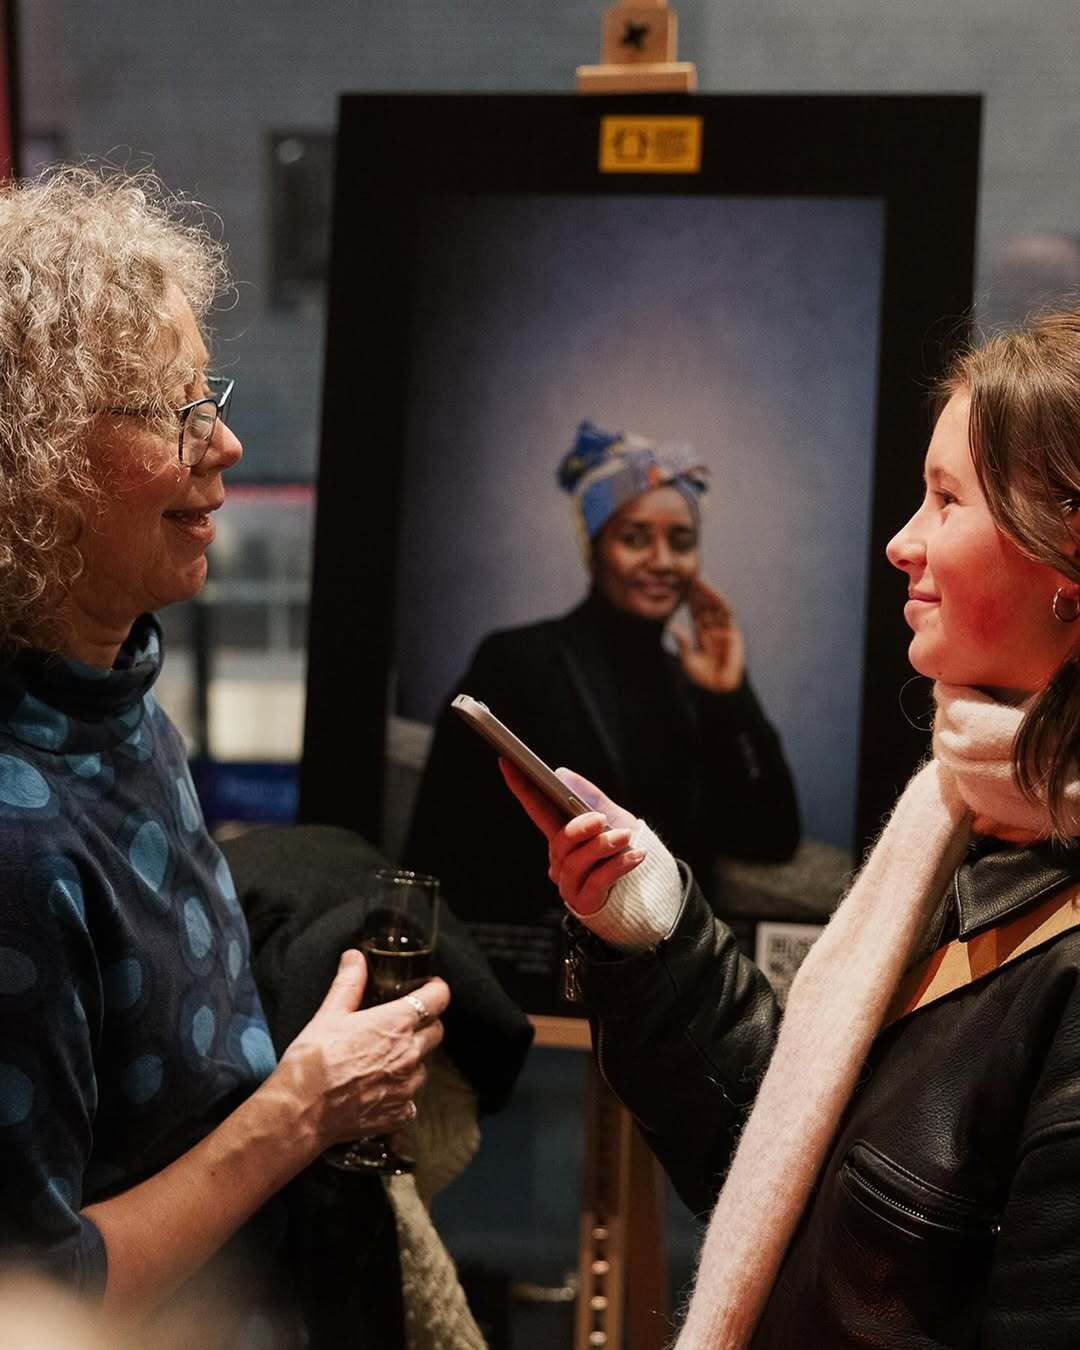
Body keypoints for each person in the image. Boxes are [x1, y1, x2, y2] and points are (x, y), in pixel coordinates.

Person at [503, 309, 1080, 1348]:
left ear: (1065, 573)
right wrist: (649, 918)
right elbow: (796, 1159)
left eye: (946, 499)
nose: (901, 541)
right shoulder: (974, 817)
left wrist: (726, 702)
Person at [0, 168, 450, 1339]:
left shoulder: (118, 704)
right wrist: (300, 1111)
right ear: (29, 462)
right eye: (172, 410)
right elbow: (40, 1295)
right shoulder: (11, 839)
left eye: (213, 397)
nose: (228, 443)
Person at [405, 420, 799, 1009]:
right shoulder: (519, 661)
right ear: (596, 549)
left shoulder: (691, 683)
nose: (662, 561)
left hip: (675, 990)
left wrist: (729, 694)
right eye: (636, 538)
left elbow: (772, 837)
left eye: (682, 541)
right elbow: (439, 845)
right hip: (540, 983)